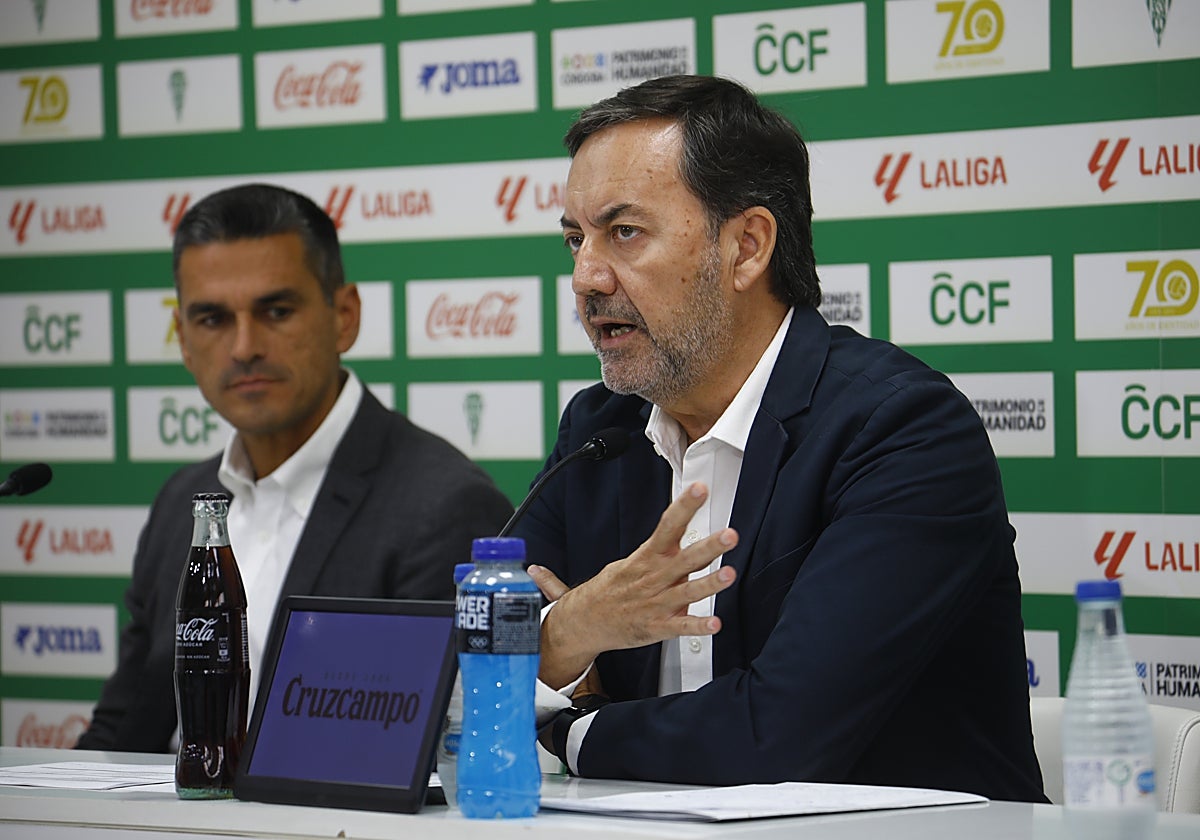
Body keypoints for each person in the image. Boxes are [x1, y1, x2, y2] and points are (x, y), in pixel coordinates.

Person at [517, 75, 1047, 802]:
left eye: (624, 233)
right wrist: (571, 632)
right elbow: (459, 665)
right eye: (575, 239)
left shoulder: (901, 429)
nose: (584, 277)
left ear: (747, 247)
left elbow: (781, 736)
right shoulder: (600, 429)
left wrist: (569, 724)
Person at [77, 184, 513, 752]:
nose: (244, 347)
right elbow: (125, 729)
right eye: (211, 319)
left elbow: (417, 755)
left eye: (275, 311)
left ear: (344, 317)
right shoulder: (182, 501)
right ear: (182, 341)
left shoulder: (444, 505)